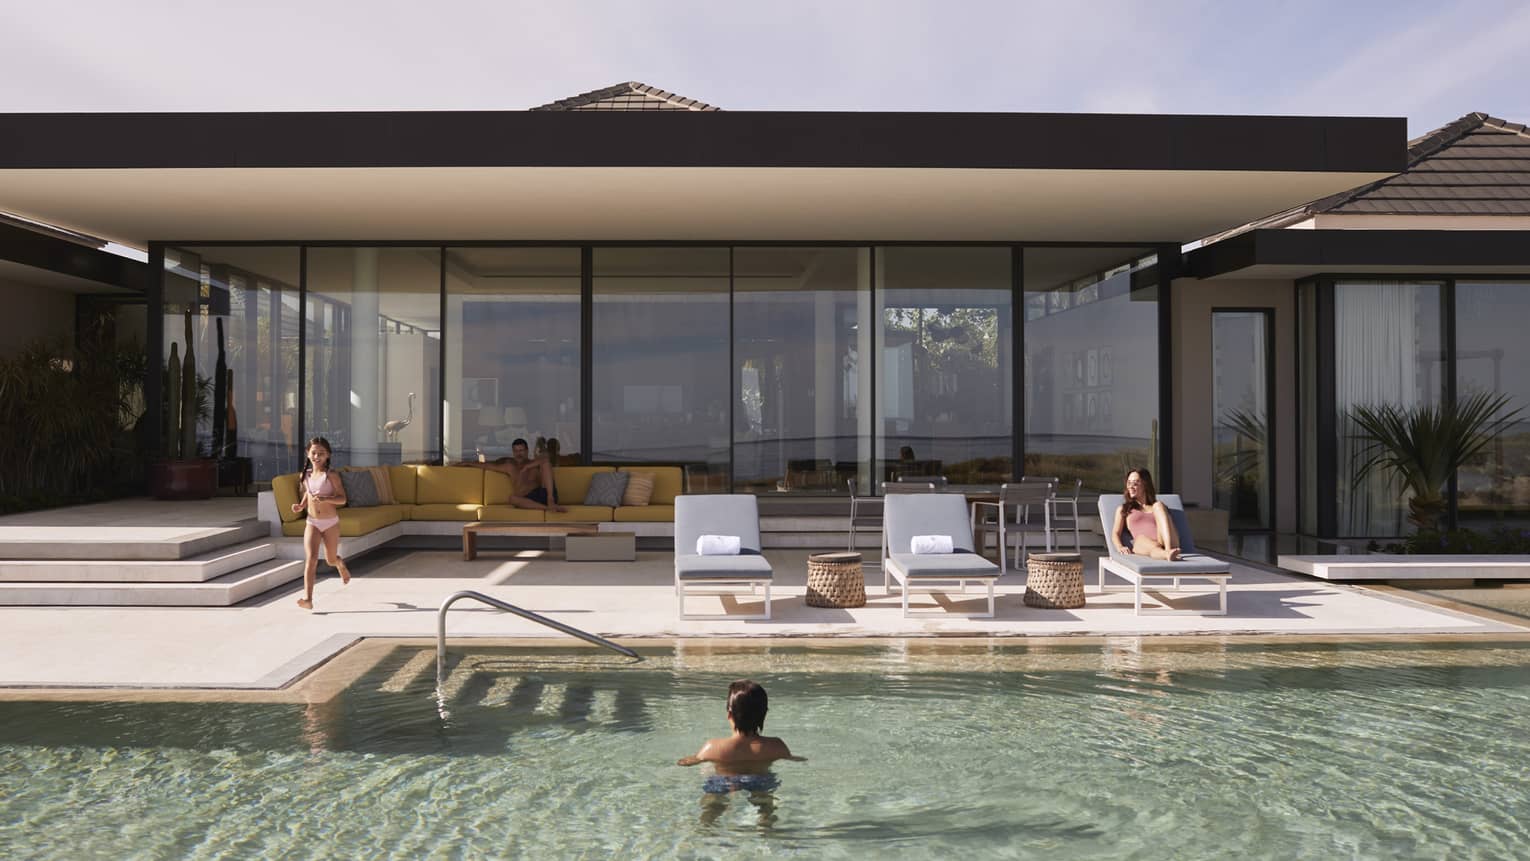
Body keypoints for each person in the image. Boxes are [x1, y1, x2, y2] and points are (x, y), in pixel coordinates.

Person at [679, 680, 803, 826]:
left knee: (712, 804)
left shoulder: (712, 746)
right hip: (760, 780)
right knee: (765, 805)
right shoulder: (776, 745)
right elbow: (793, 759)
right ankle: (765, 823)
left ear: (729, 714)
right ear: (764, 714)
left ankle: (706, 825)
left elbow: (689, 762)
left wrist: (686, 760)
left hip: (724, 780)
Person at [290, 436, 353, 610]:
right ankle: (308, 599)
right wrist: (301, 505)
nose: (317, 456)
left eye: (321, 454)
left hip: (330, 522)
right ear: (308, 454)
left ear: (328, 456)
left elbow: (342, 499)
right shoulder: (306, 475)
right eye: (314, 453)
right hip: (312, 522)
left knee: (330, 559)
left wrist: (326, 498)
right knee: (311, 560)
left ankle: (340, 564)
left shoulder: (331, 475)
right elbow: (308, 493)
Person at [458, 437, 566, 513]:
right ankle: (548, 508)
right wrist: (468, 463)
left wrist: (527, 467)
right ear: (513, 452)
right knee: (512, 499)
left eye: (522, 450)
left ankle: (551, 501)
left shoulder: (534, 463)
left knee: (546, 464)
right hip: (527, 500)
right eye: (516, 451)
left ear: (527, 451)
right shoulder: (510, 466)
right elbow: (487, 465)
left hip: (544, 495)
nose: (519, 454)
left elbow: (546, 459)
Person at [1110, 467, 1183, 561]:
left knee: (1158, 505)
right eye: (1129, 483)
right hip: (1144, 544)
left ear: (1145, 484)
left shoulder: (1157, 507)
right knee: (1139, 540)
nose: (1131, 486)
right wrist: (1120, 547)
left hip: (1167, 541)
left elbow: (1167, 523)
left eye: (1135, 483)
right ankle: (1166, 554)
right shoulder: (1124, 509)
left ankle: (1168, 550)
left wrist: (1168, 546)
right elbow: (1115, 533)